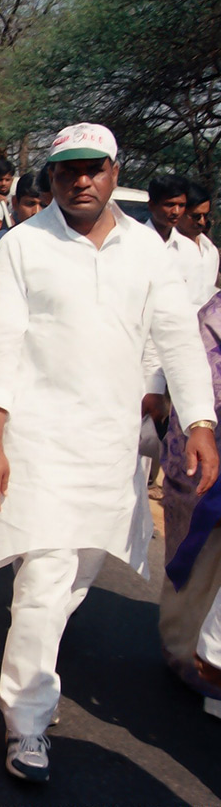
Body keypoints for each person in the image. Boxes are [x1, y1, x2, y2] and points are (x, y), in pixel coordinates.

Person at [0, 122, 218, 783]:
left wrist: (198, 420)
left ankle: (28, 669)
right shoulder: (24, 245)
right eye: (65, 171)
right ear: (50, 178)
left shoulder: (148, 251)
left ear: (114, 171)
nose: (79, 181)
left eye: (92, 169)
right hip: (37, 437)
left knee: (76, 572)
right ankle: (25, 718)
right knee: (47, 577)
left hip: (109, 447)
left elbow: (179, 340)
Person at [158, 290, 221, 713]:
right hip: (207, 451)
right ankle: (189, 656)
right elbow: (190, 384)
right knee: (200, 556)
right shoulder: (211, 319)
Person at [147, 174, 210, 307]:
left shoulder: (189, 249)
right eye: (169, 205)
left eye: (181, 205)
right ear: (152, 205)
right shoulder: (132, 242)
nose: (176, 211)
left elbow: (197, 300)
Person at [178, 181, 219, 303]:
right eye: (196, 216)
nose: (202, 222)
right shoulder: (165, 248)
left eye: (205, 216)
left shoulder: (210, 250)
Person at [0, 171, 43, 259]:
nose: (36, 211)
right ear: (15, 203)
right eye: (30, 203)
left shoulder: (62, 243)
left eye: (44, 205)